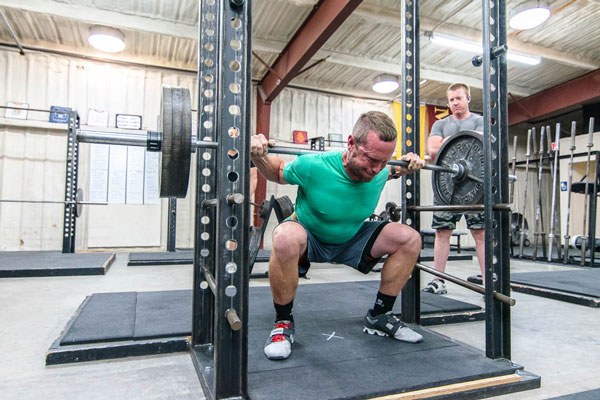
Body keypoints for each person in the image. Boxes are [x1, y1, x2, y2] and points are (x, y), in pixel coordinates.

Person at [251, 111, 426, 361]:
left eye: (383, 161)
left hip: (352, 238)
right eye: (370, 159)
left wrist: (409, 163)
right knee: (284, 236)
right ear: (351, 143)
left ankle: (379, 316)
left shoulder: (380, 170)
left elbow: (394, 170)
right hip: (309, 236)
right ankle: (283, 323)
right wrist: (257, 153)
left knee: (409, 238)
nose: (377, 169)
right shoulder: (314, 165)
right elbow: (277, 171)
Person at [423, 83, 485, 295]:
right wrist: (457, 139)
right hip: (447, 186)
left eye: (459, 98)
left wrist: (447, 142)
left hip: (475, 187)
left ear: (468, 98)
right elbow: (432, 151)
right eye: (451, 100)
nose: (455, 103)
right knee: (442, 231)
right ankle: (437, 280)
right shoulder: (440, 124)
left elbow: (482, 147)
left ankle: (488, 283)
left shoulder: (480, 121)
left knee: (480, 233)